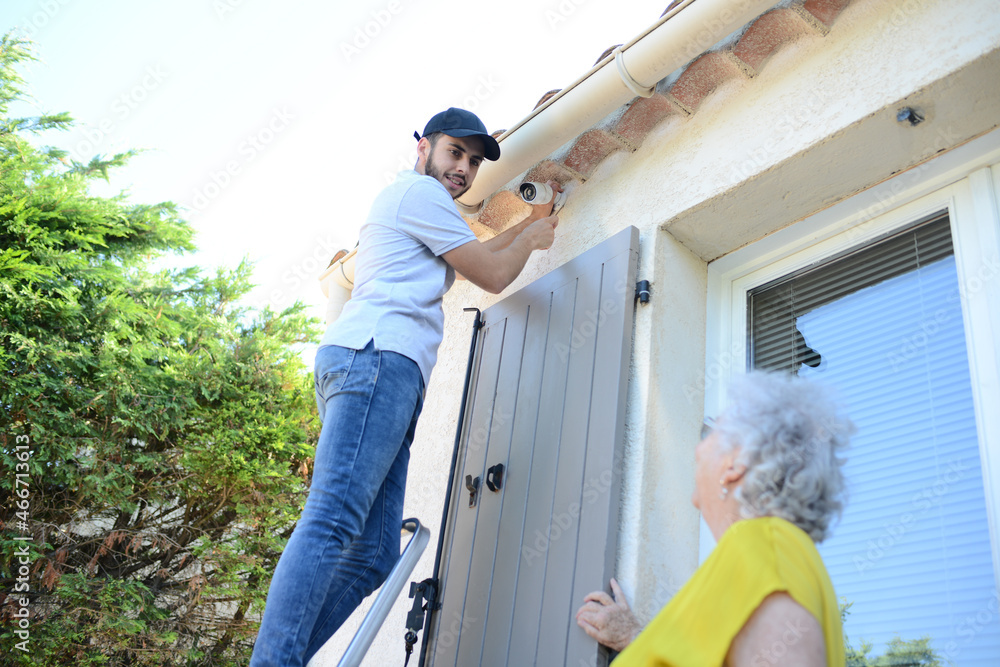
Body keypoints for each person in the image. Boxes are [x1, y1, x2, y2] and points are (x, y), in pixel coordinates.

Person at [250, 108, 561, 667]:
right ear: (422, 147)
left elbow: (481, 256)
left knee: (372, 556)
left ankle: (286, 659)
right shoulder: (418, 196)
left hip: (383, 370)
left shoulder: (425, 210)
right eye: (453, 152)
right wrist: (534, 237)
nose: (462, 168)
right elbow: (492, 276)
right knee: (333, 517)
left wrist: (532, 226)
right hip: (376, 358)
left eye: (471, 160)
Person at [575, 372, 853, 666]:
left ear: (736, 463)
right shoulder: (766, 560)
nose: (698, 449)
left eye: (710, 433)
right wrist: (634, 637)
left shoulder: (765, 552)